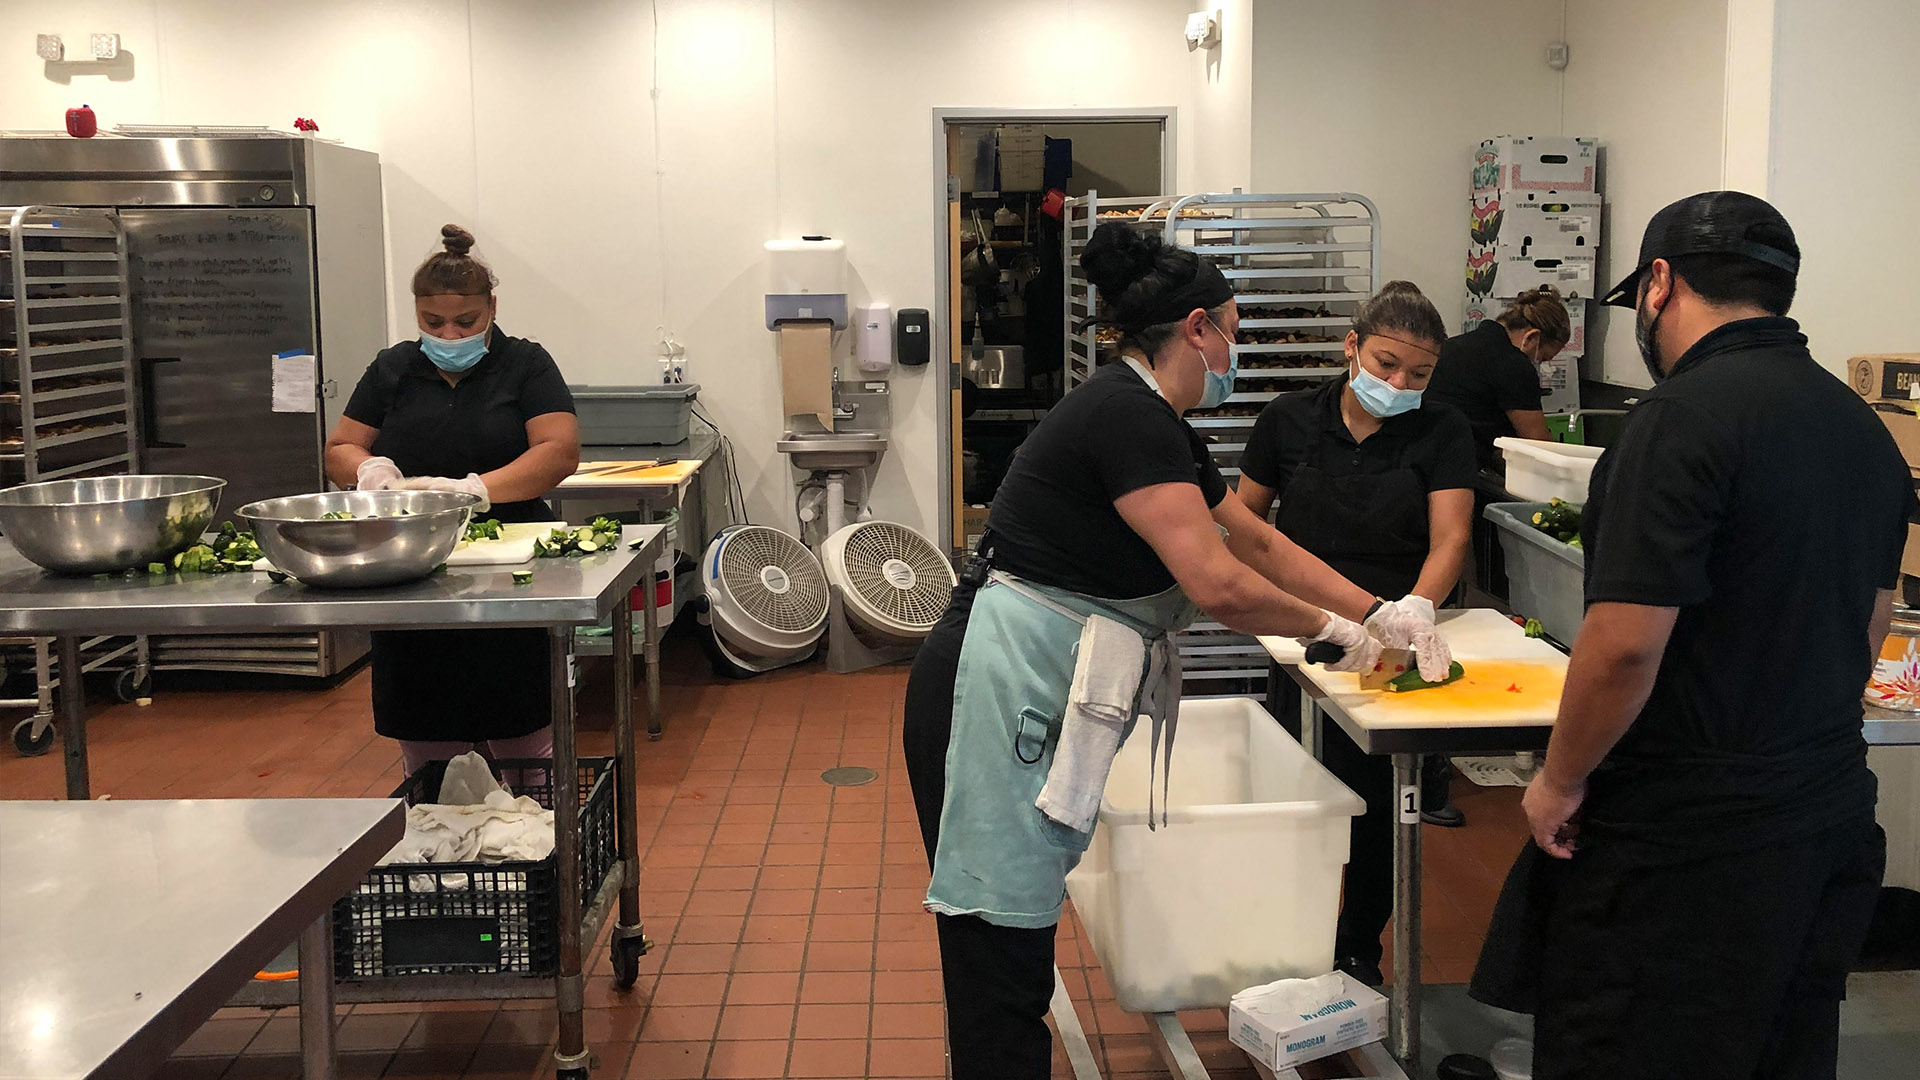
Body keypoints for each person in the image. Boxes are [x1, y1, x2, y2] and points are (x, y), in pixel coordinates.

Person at [902, 224, 1454, 1080]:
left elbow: (1257, 543)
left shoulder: (1159, 423)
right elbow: (1219, 582)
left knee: (1014, 938)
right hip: (989, 684)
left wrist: (1380, 613)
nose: (1236, 352)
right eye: (1233, 331)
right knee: (997, 943)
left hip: (1031, 684)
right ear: (1198, 329)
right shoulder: (1126, 416)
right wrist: (1329, 631)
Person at [1474, 192, 1913, 1079]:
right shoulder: (1860, 428)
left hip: (1687, 848)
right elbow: (1870, 621)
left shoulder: (1679, 419)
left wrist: (1558, 779)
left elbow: (1626, 643)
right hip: (1822, 818)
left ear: (1660, 283)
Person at [1233, 280, 1478, 985]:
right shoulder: (1287, 420)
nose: (1399, 384)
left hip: (1392, 643)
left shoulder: (1442, 430)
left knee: (1381, 807)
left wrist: (1417, 607)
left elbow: (1451, 537)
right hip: (1302, 637)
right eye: (1386, 364)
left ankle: (1357, 951)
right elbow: (1246, 529)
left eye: (1419, 374)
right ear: (1352, 347)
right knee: (1298, 793)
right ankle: (1289, 940)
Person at [322, 225, 580, 776]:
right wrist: (370, 469)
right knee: (426, 722)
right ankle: (436, 808)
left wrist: (474, 492)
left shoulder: (525, 364)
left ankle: (535, 815)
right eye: (433, 322)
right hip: (409, 565)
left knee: (519, 720)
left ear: (492, 308)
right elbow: (341, 446)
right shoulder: (393, 368)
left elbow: (558, 451)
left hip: (511, 565)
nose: (450, 334)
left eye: (466, 321)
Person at [1423, 287, 1572, 469]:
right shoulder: (1512, 364)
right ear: (1532, 337)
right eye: (1543, 358)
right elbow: (1540, 445)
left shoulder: (1453, 345)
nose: (1539, 364)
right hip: (1458, 465)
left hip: (1423, 457)